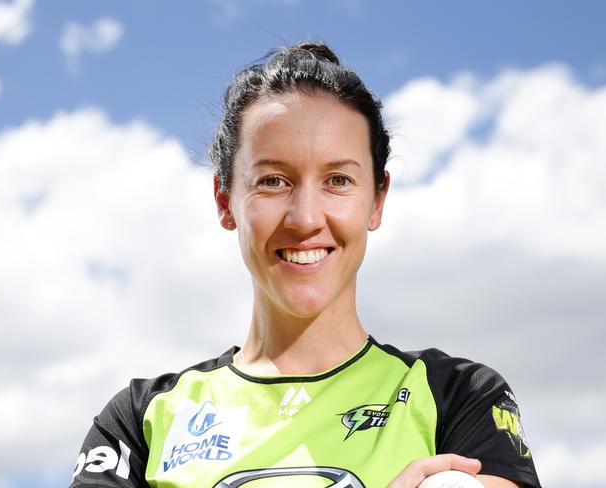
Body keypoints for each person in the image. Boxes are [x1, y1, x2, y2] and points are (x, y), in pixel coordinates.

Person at [70, 41, 541, 488]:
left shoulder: (457, 397)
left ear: (377, 200)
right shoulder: (140, 420)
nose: (306, 219)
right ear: (224, 200)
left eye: (338, 180)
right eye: (273, 181)